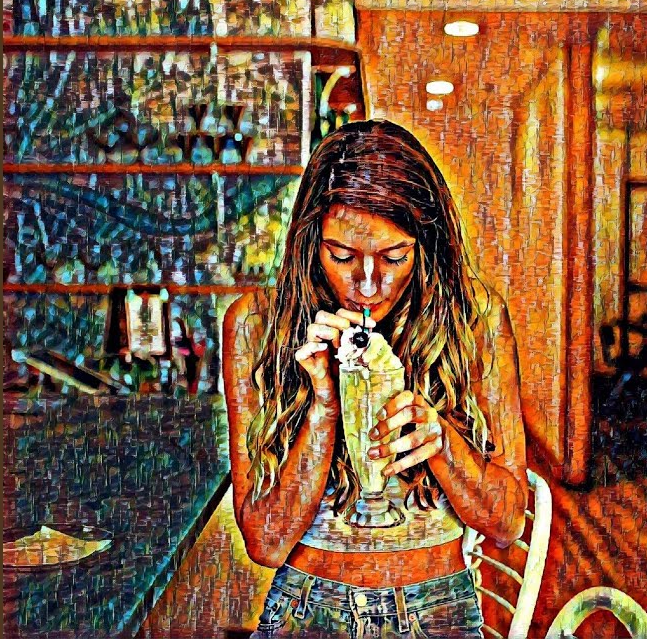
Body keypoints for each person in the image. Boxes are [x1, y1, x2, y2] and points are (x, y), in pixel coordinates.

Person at [222, 120, 528, 638]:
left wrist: (441, 442)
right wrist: (324, 406)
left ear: (425, 246)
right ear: (310, 243)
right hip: (307, 610)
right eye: (342, 256)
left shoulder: (473, 318)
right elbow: (266, 543)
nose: (367, 286)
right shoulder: (257, 324)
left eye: (394, 257)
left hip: (438, 608)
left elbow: (506, 523)